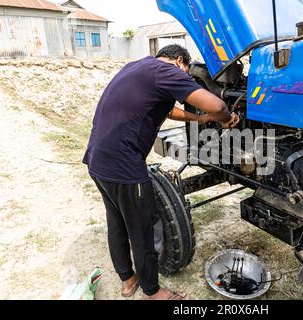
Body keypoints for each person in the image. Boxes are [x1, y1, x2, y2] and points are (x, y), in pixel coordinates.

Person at [83, 44, 239, 300]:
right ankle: (152, 292)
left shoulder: (137, 67)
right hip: (124, 165)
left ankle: (127, 280)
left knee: (116, 222)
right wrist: (223, 118)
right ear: (180, 61)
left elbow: (167, 110)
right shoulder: (167, 71)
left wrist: (199, 120)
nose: (185, 77)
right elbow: (216, 104)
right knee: (142, 228)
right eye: (186, 72)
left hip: (98, 160)